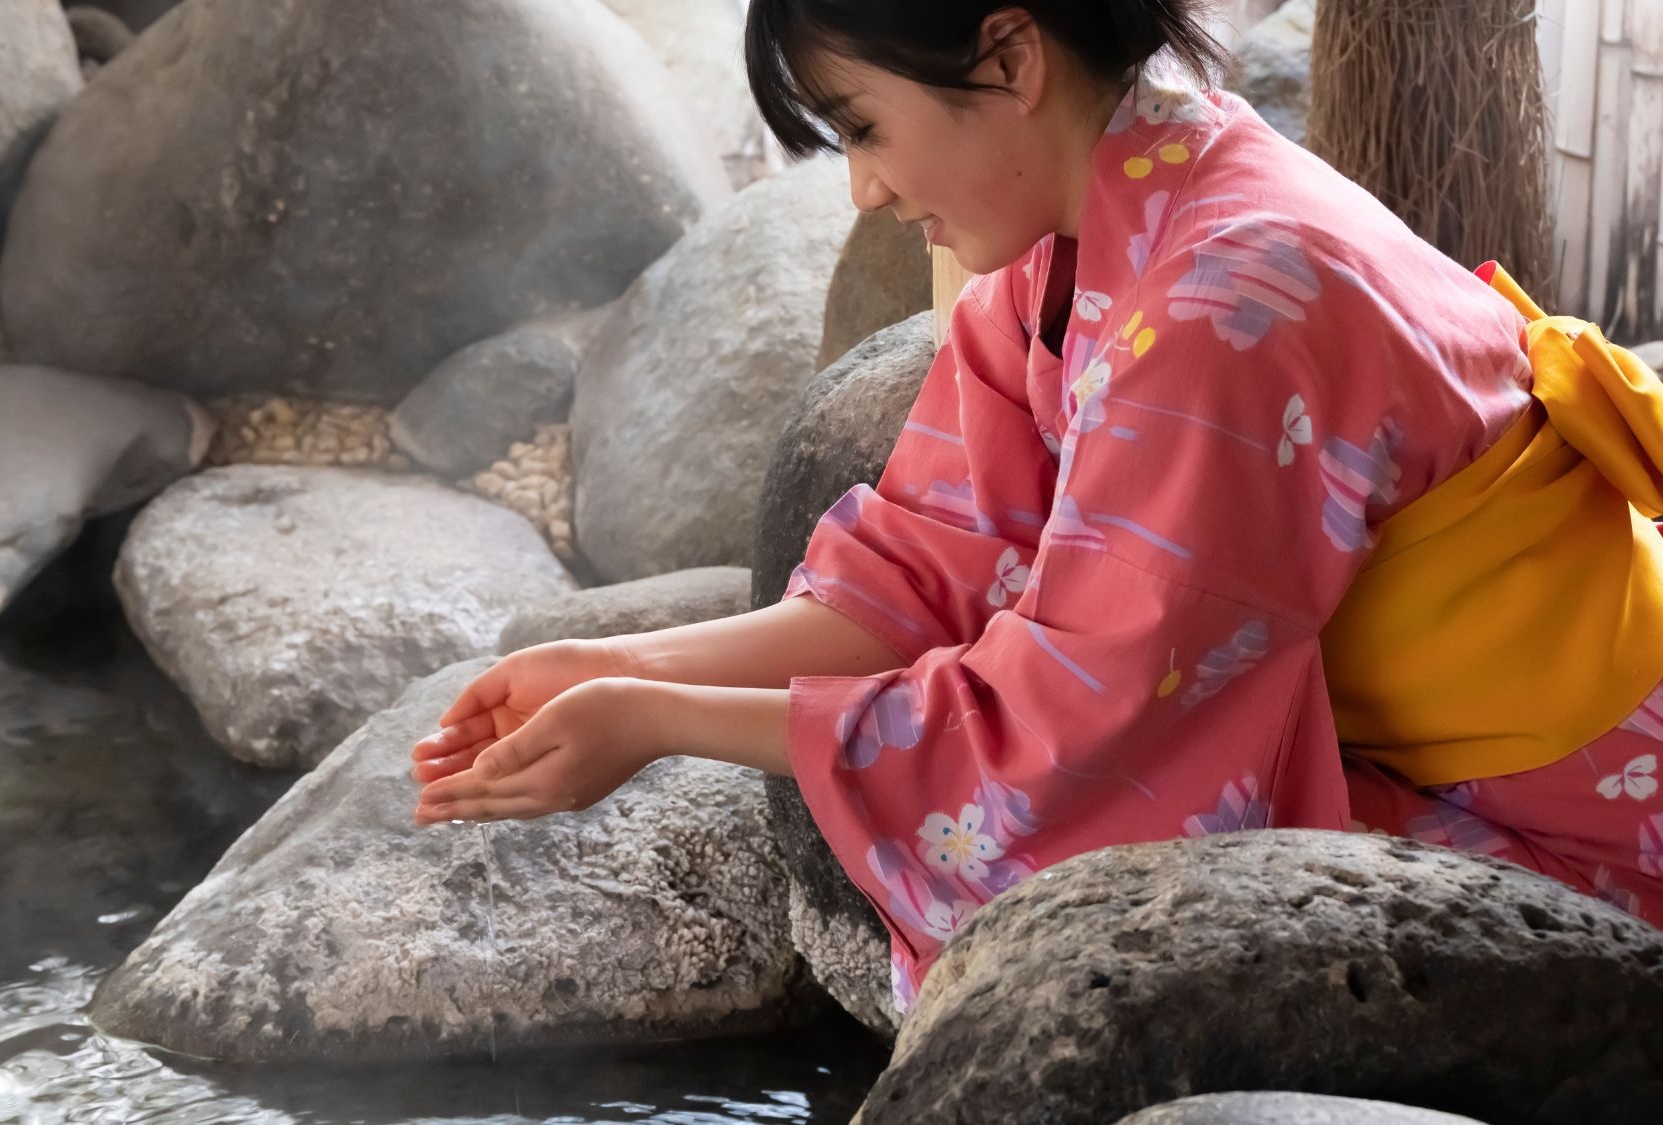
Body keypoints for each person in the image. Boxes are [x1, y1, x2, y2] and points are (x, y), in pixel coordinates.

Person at [410, 0, 1663, 1012]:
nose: (863, 191)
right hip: (1461, 754)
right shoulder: (1091, 235)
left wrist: (659, 720)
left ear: (1007, 55)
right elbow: (922, 575)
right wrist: (607, 666)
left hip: (1585, 818)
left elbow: (1073, 726)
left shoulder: (1222, 304)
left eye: (861, 128)